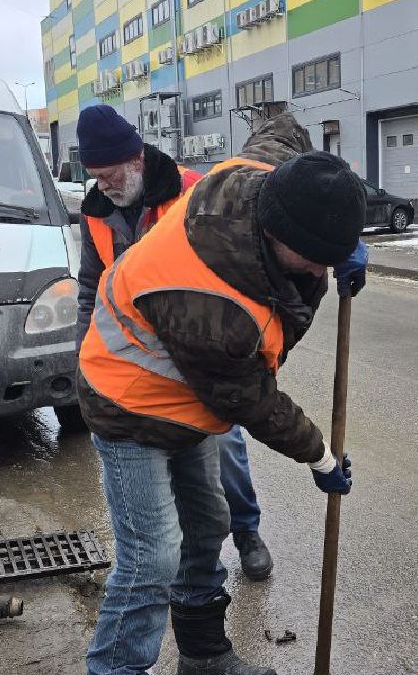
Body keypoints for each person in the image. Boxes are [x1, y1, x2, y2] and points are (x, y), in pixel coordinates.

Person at [68, 112, 369, 675]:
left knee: (209, 526)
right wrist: (320, 454)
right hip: (128, 400)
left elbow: (286, 130)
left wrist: (342, 233)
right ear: (276, 237)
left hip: (187, 401)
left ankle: (201, 658)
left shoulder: (264, 182)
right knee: (152, 560)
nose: (320, 274)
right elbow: (250, 401)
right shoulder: (212, 305)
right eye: (315, 261)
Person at [71, 104, 276, 582]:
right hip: (139, 361)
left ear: (137, 158)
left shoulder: (191, 192)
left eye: (108, 174)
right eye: (94, 176)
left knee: (225, 445)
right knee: (175, 484)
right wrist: (84, 354)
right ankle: (194, 563)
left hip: (201, 349)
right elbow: (90, 287)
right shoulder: (97, 211)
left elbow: (261, 205)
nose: (102, 185)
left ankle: (247, 531)